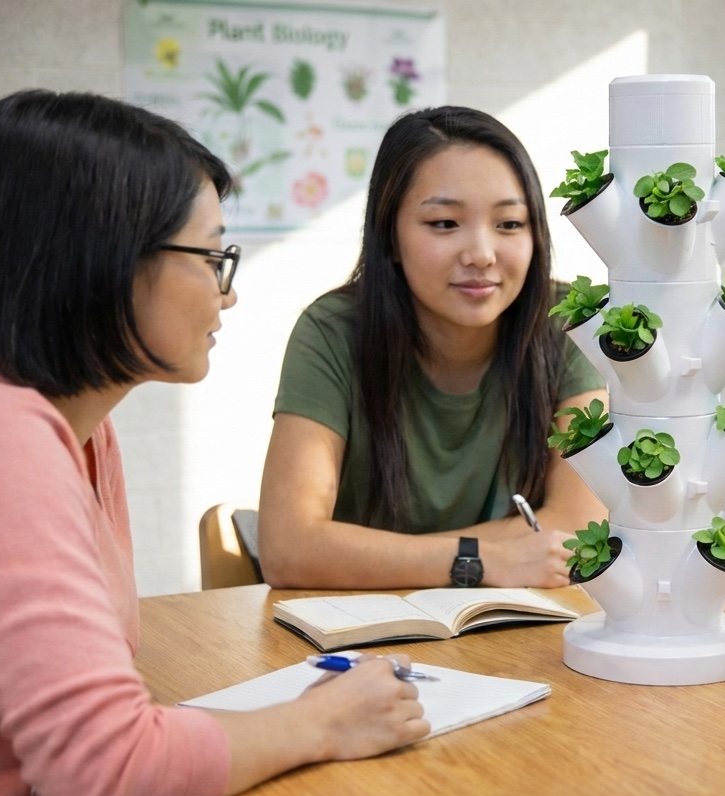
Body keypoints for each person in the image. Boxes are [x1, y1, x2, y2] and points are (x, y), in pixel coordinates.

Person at [0, 90, 429, 796]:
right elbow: (105, 773)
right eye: (212, 256)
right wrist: (320, 721)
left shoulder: (73, 425)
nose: (230, 289)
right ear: (103, 258)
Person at [258, 106, 606, 590]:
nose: (482, 254)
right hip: (366, 634)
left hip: (515, 631)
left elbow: (576, 527)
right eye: (444, 223)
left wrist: (368, 554)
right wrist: (481, 560)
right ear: (391, 237)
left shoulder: (568, 321)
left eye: (509, 224)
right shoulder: (333, 330)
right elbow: (288, 549)